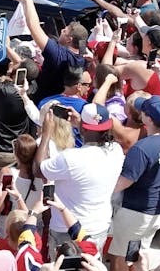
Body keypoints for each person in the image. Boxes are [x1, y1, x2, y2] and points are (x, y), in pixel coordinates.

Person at [108, 96, 160, 271]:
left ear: (147, 119)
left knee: (120, 257)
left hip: (136, 212)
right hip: (159, 208)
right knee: (140, 254)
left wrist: (102, 192)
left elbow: (123, 182)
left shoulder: (141, 149)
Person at [38, 103, 123, 251]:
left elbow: (40, 168)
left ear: (83, 128)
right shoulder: (116, 150)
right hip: (98, 227)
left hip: (66, 229)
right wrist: (82, 126)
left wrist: (46, 134)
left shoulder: (70, 158)